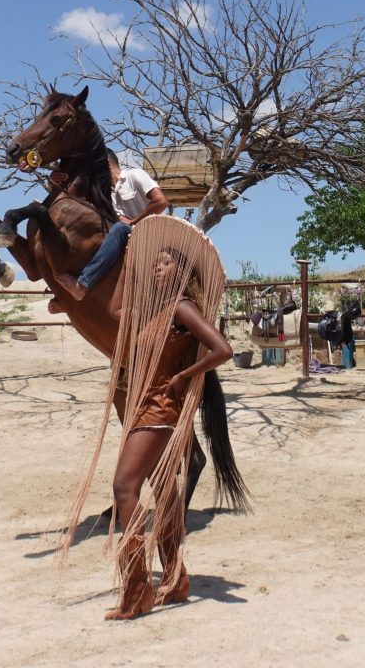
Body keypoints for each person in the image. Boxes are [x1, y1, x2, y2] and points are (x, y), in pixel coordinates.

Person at [104, 246, 232, 619]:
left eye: (165, 263)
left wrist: (183, 376)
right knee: (164, 490)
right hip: (148, 407)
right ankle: (175, 578)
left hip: (159, 410)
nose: (158, 268)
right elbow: (114, 312)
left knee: (124, 488)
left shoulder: (182, 307)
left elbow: (223, 349)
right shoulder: (158, 311)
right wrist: (128, 266)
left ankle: (137, 589)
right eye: (155, 262)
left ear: (182, 271)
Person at [54, 149, 167, 302]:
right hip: (130, 240)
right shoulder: (107, 195)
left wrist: (133, 222)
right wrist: (54, 182)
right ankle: (64, 299)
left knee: (119, 229)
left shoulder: (134, 175)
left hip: (156, 236)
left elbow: (161, 202)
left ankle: (83, 284)